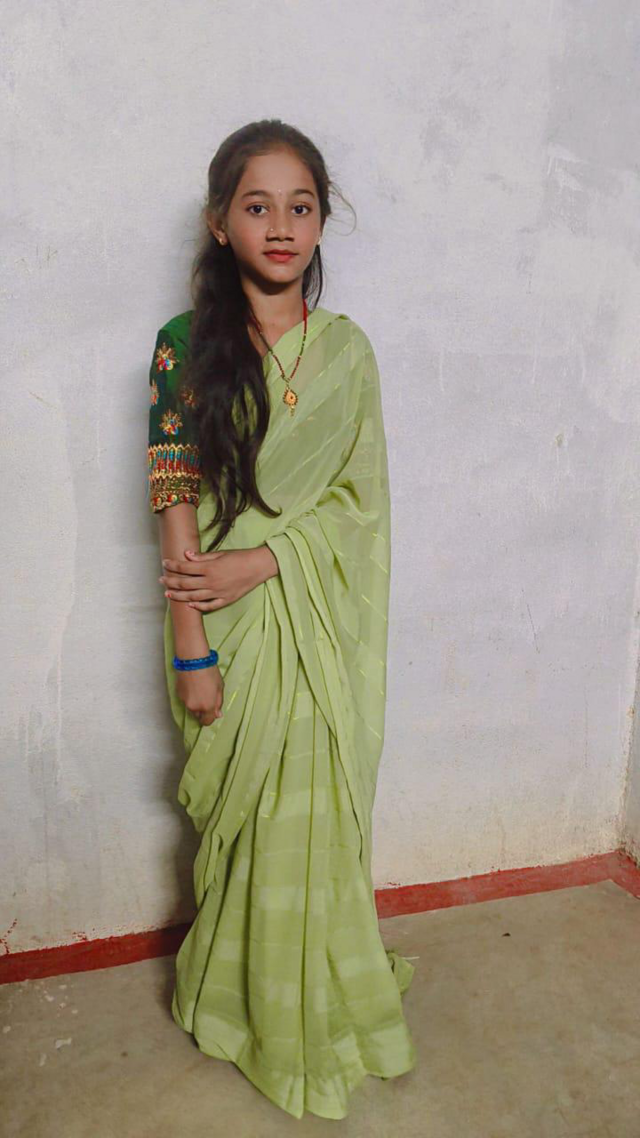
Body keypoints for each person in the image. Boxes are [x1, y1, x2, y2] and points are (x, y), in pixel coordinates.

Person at [147, 118, 417, 1120]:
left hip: (310, 628)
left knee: (308, 820)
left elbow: (360, 505)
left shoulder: (347, 354)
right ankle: (238, 1001)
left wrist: (266, 560)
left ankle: (308, 1003)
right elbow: (175, 501)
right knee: (246, 823)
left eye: (300, 207)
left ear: (320, 222)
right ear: (220, 222)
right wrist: (193, 651)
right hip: (226, 630)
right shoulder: (183, 348)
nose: (281, 226)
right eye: (256, 206)